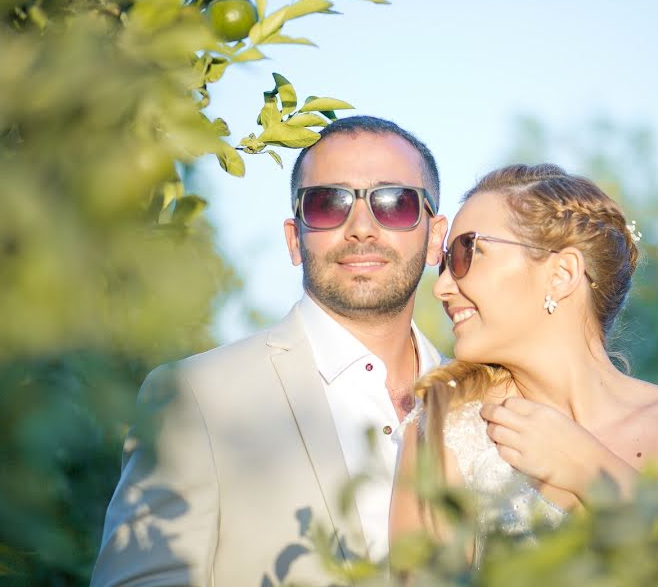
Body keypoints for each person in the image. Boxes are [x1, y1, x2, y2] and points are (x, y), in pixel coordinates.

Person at [92, 116, 449, 585]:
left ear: (435, 237)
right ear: (293, 239)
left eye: (394, 203)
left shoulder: (484, 404)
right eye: (328, 204)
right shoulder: (199, 398)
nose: (361, 227)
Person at [389, 163, 658, 565]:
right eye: (444, 263)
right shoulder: (445, 433)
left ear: (562, 273)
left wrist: (591, 470)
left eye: (468, 253)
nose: (442, 286)